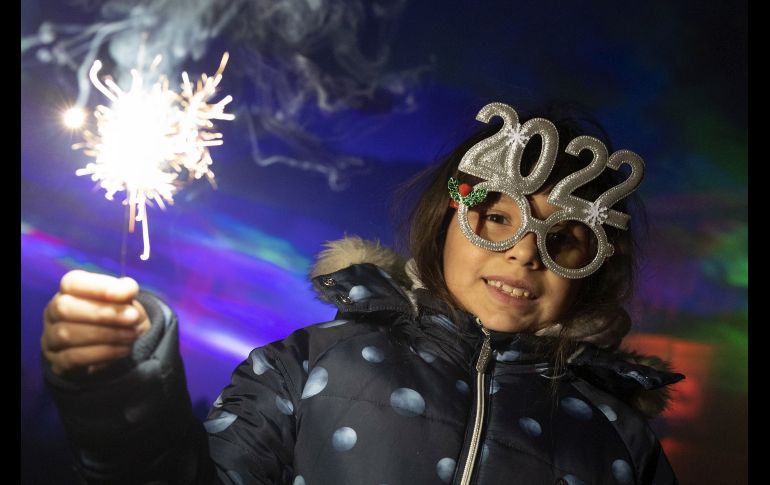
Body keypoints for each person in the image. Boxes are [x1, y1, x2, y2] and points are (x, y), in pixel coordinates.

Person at [41, 101, 684, 484]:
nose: (522, 251)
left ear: (591, 267)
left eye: (564, 239)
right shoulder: (307, 367)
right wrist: (119, 390)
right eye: (496, 218)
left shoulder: (619, 437)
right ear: (444, 224)